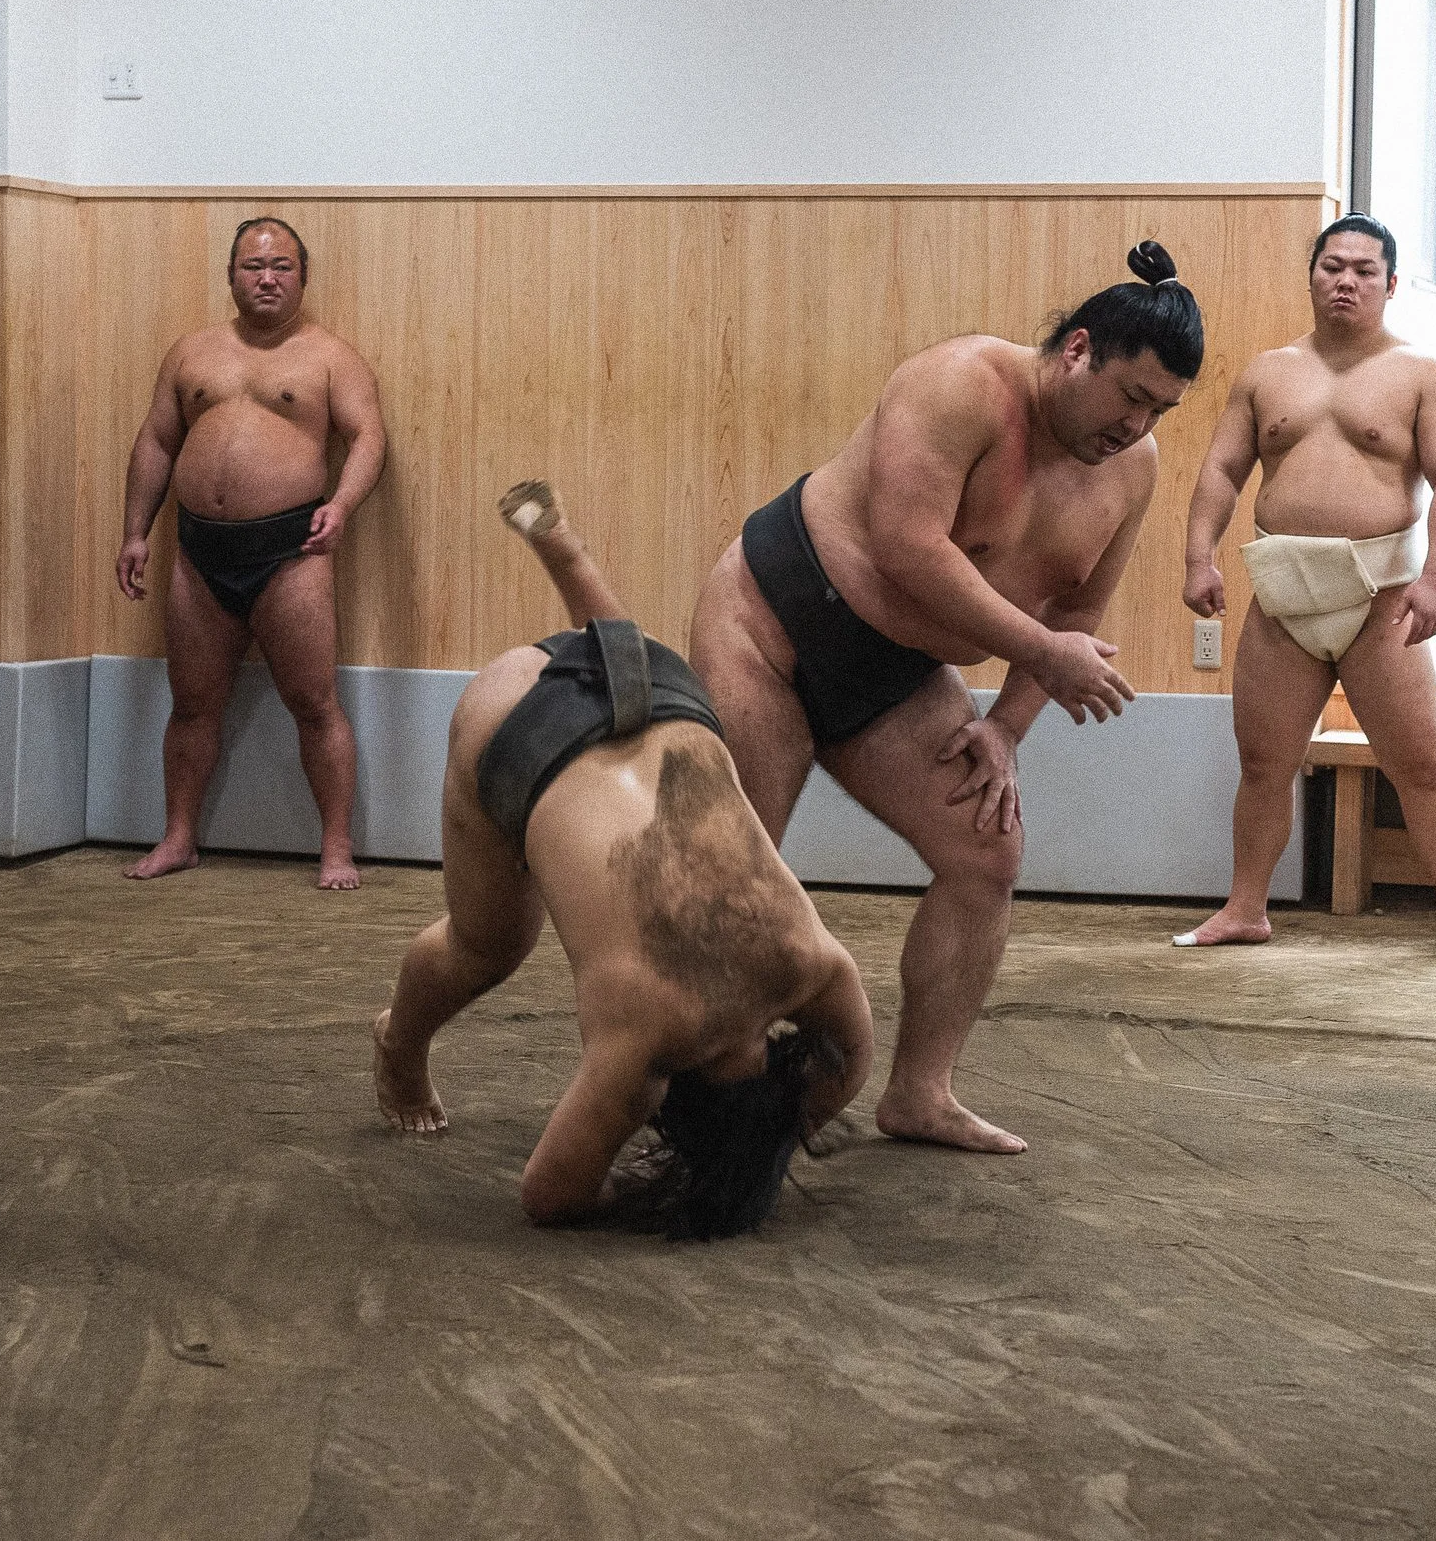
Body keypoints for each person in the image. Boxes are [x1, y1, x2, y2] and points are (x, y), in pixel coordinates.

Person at [688, 241, 1200, 1154]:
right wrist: (1045, 649)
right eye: (1131, 396)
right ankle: (681, 1077)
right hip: (774, 618)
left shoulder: (1134, 470)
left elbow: (1078, 606)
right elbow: (907, 547)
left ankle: (919, 1093)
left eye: (1161, 409)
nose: (1138, 425)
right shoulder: (961, 384)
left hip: (895, 667)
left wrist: (1004, 727)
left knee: (986, 853)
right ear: (1078, 350)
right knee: (740, 871)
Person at [373, 480, 873, 1235]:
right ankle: (398, 1048)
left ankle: (570, 556)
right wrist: (652, 1183)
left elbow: (851, 1067)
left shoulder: (815, 966)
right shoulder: (643, 1051)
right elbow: (551, 1195)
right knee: (485, 946)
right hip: (513, 722)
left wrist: (785, 1122)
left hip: (656, 681)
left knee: (636, 712)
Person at [1175, 214, 1436, 963]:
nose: (1347, 280)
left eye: (1365, 270)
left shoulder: (1424, 375)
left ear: (1391, 284)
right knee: (1264, 764)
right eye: (1333, 266)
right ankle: (1245, 908)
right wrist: (1198, 556)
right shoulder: (1267, 372)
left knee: (1419, 765)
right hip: (1284, 595)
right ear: (1312, 276)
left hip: (1383, 599)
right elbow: (1222, 471)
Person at [115, 217, 385, 890]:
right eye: (252, 266)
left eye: (282, 266)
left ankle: (337, 848)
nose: (267, 278)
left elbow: (368, 438)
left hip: (292, 550)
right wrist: (135, 531)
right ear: (231, 274)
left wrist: (342, 505)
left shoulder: (329, 356)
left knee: (314, 702)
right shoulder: (191, 353)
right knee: (193, 703)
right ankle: (178, 837)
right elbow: (155, 442)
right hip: (198, 552)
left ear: (303, 275)